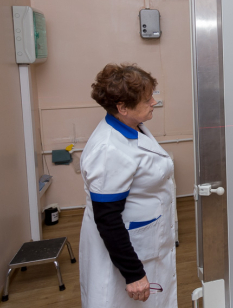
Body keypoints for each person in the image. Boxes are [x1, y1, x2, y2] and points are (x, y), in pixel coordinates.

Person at [79, 63, 177, 307]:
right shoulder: (108, 149)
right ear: (122, 108)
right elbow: (108, 219)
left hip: (146, 238)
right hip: (129, 251)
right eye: (147, 99)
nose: (154, 102)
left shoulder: (133, 127)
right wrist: (133, 273)